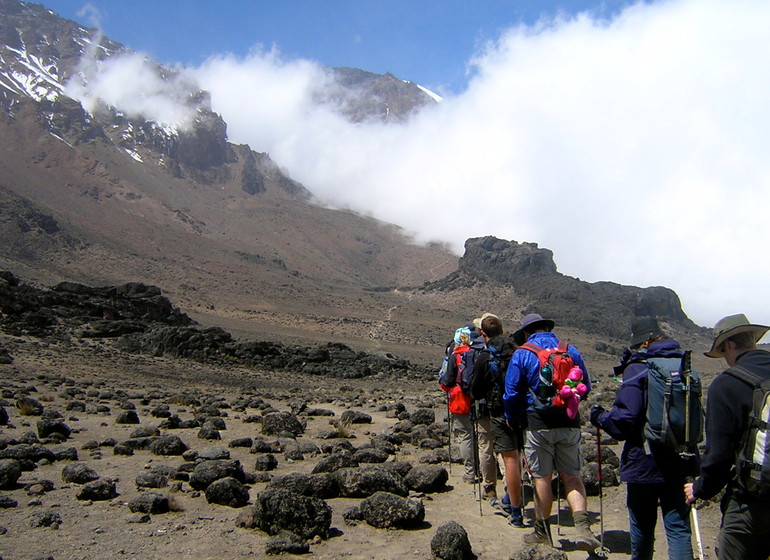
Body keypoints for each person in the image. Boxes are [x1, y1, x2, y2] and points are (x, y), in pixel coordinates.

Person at [591, 317, 699, 560]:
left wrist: (599, 418)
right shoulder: (684, 363)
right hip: (681, 458)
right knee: (679, 528)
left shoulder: (639, 366)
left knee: (641, 525)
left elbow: (624, 420)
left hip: (645, 461)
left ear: (642, 343)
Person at [504, 313, 600, 550]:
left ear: (526, 333)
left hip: (539, 424)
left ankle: (542, 533)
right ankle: (582, 528)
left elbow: (512, 393)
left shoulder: (522, 353)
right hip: (569, 421)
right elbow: (584, 385)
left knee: (541, 477)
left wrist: (512, 419)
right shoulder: (571, 350)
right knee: (572, 475)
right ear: (548, 328)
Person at [684, 313, 770, 560]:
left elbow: (719, 455)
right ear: (753, 340)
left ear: (729, 345)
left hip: (751, 504)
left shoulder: (727, 384)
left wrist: (700, 489)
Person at [469, 313, 525, 527]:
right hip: (520, 410)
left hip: (498, 411)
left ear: (483, 333)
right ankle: (510, 497)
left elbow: (475, 390)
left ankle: (515, 509)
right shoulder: (517, 352)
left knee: (508, 457)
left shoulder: (485, 357)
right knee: (518, 455)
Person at [439, 325, 498, 498]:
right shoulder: (481, 353)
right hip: (481, 399)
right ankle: (489, 471)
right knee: (484, 436)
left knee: (465, 434)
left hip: (461, 400)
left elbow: (447, 381)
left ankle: (470, 472)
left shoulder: (456, 355)